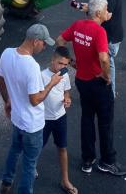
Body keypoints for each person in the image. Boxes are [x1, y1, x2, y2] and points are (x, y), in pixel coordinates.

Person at [56, 0, 126, 177]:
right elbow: (104, 58)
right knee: (105, 122)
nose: (107, 11)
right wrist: (106, 76)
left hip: (81, 80)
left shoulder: (77, 25)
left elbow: (59, 41)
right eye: (105, 9)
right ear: (98, 13)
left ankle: (87, 159)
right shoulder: (99, 31)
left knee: (87, 119)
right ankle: (107, 161)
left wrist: (71, 62)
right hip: (98, 83)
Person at [0, 24, 63, 194]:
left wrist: (7, 101)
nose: (45, 47)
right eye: (44, 43)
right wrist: (51, 84)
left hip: (17, 119)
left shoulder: (6, 53)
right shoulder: (32, 66)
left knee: (14, 150)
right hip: (32, 125)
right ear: (35, 42)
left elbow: (1, 81)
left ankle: (5, 184)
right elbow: (35, 100)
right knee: (29, 164)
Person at [40, 47, 78, 194]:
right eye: (60, 63)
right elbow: (36, 97)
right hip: (44, 119)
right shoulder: (41, 75)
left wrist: (67, 99)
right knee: (37, 148)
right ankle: (31, 169)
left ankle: (65, 180)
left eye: (66, 65)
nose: (63, 67)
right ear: (52, 60)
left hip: (60, 117)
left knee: (62, 148)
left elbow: (66, 91)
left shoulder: (65, 75)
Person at [85, 0, 124, 96]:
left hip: (110, 37)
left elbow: (106, 15)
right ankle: (107, 91)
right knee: (106, 62)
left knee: (107, 63)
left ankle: (110, 93)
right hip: (113, 35)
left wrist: (89, 11)